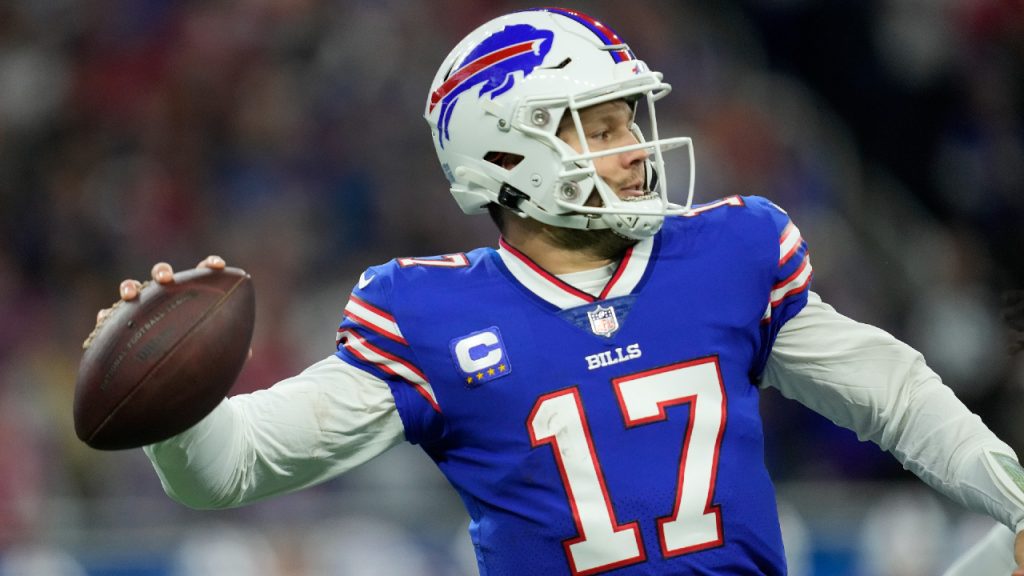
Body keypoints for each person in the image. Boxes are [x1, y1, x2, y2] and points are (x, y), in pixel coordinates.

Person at [95, 8, 1024, 575]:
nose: (633, 146)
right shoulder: (425, 315)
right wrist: (168, 404)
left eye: (631, 117)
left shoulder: (728, 252)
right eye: (599, 124)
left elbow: (895, 396)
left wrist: (1015, 499)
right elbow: (229, 468)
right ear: (505, 149)